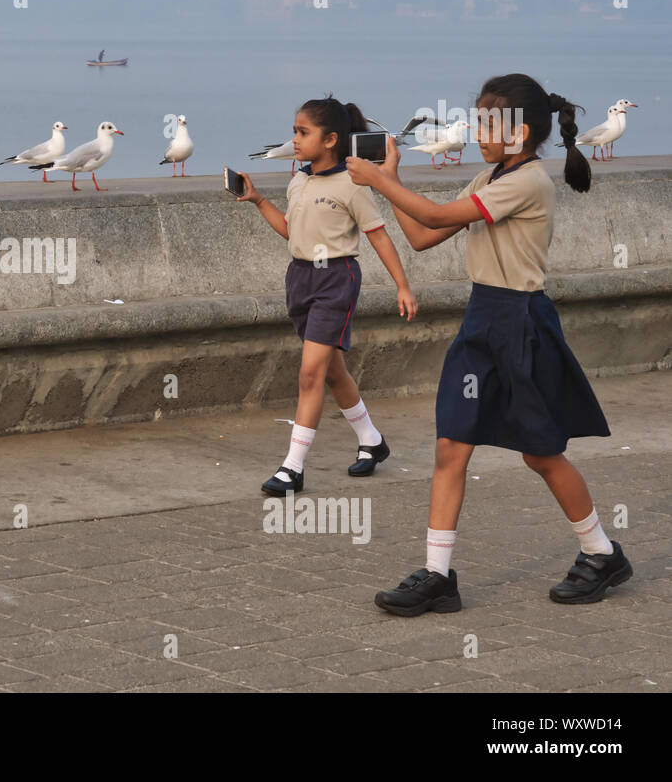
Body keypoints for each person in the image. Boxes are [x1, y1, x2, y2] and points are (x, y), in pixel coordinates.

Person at [346, 73, 631, 615]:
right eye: (477, 120)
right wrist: (388, 179)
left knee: (541, 454)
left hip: (521, 321)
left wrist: (381, 184)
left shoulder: (527, 183)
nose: (477, 130)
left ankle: (601, 552)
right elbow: (423, 236)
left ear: (519, 133)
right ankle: (437, 576)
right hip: (483, 318)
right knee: (452, 444)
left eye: (486, 122)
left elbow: (434, 216)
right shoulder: (489, 176)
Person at [236, 96, 418, 497]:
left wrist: (402, 286)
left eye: (303, 132)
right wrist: (258, 200)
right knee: (332, 370)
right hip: (299, 278)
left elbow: (379, 236)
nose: (295, 140)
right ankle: (372, 440)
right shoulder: (299, 179)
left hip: (336, 279)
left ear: (332, 139)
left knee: (309, 373)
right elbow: (291, 232)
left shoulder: (353, 183)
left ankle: (292, 469)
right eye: (295, 131)